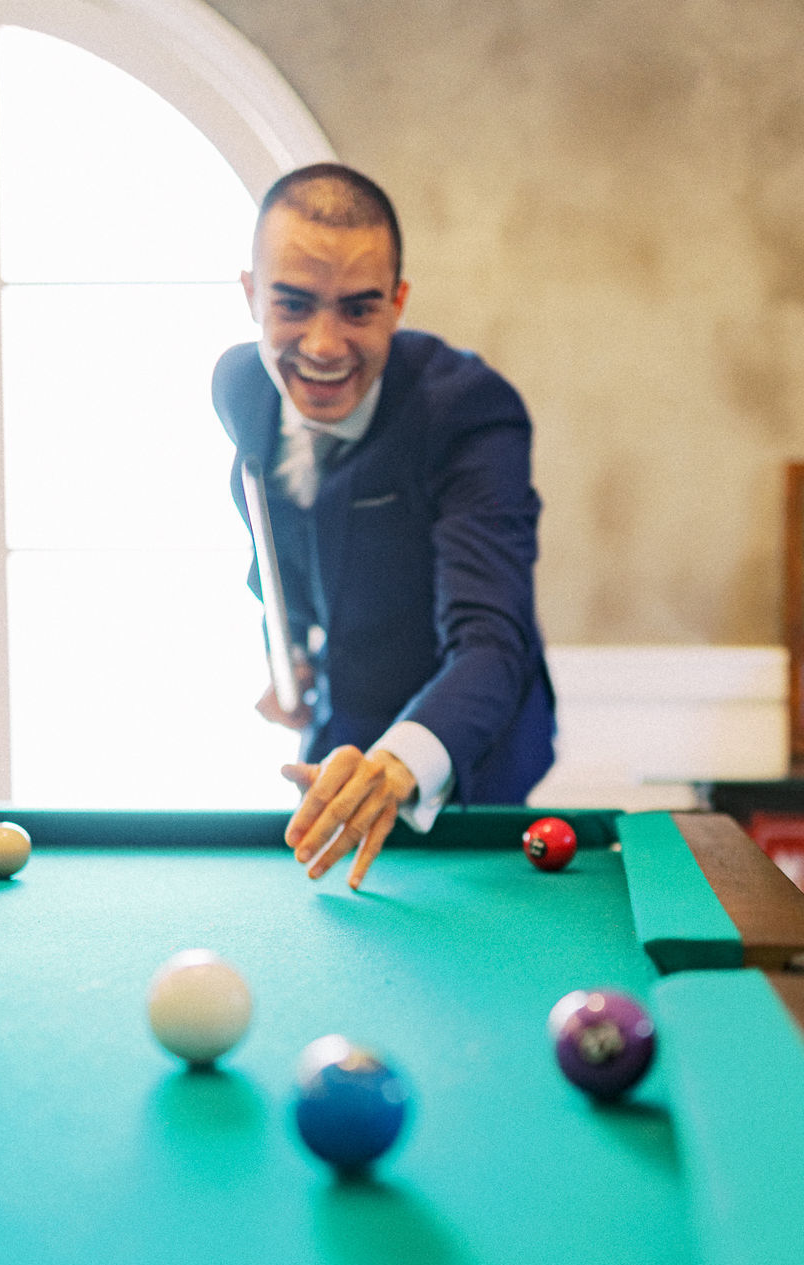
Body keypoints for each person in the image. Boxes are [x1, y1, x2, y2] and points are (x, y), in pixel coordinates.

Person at [213, 163, 555, 887]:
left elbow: (493, 640)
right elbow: (277, 537)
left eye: (358, 310)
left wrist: (403, 761)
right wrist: (287, 651)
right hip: (339, 730)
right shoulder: (241, 387)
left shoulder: (469, 412)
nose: (324, 345)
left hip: (463, 754)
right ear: (251, 296)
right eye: (294, 305)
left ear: (397, 305)